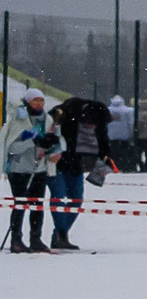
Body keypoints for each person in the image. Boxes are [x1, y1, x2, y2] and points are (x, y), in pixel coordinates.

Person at [47, 95, 109, 251]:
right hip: (56, 163)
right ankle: (61, 234)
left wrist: (105, 157)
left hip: (76, 165)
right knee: (58, 197)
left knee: (76, 200)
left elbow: (103, 142)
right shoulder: (66, 114)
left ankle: (60, 234)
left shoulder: (99, 119)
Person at [5, 89, 56, 254]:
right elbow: (11, 148)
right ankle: (16, 239)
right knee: (20, 203)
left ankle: (35, 238)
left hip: (39, 168)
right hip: (19, 169)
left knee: (37, 204)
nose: (39, 104)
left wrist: (50, 144)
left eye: (41, 100)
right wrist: (32, 142)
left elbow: (53, 141)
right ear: (28, 102)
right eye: (35, 100)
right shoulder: (19, 120)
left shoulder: (47, 120)